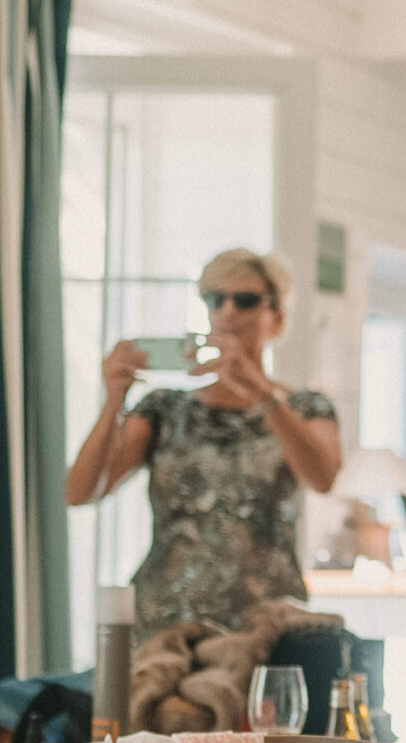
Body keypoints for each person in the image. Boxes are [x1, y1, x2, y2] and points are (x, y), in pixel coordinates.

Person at [66, 248, 342, 643]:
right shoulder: (166, 409)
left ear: (277, 317)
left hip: (265, 630)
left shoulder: (305, 408)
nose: (228, 312)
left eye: (245, 300)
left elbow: (323, 477)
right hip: (164, 626)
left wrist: (263, 395)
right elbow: (80, 492)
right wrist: (113, 400)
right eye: (215, 299)